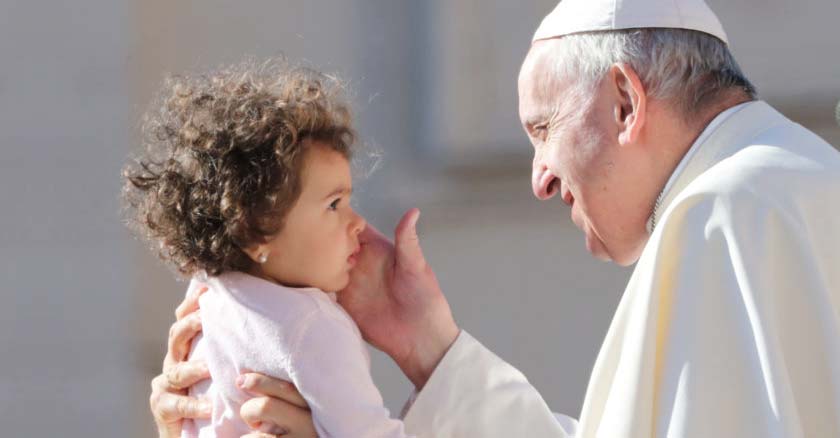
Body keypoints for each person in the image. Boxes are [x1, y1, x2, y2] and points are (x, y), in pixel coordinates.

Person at [150, 0, 840, 436]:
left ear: (625, 103)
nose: (539, 178)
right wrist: (429, 348)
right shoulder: (779, 186)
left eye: (543, 129)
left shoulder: (731, 212)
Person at [124, 61, 416, 437]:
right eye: (333, 204)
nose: (357, 223)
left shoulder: (205, 294)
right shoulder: (315, 326)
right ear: (255, 232)